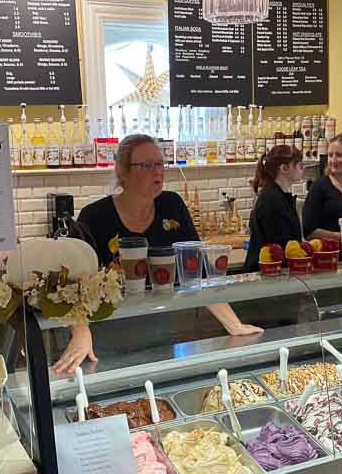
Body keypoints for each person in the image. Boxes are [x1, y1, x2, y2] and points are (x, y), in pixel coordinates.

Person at [53, 134, 263, 373]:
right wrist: (80, 332)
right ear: (122, 171)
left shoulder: (172, 205)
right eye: (146, 165)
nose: (158, 172)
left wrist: (234, 324)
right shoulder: (95, 216)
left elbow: (198, 274)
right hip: (107, 335)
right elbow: (71, 284)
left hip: (162, 331)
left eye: (160, 164)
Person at [244, 145, 305, 272]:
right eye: (299, 165)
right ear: (284, 168)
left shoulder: (277, 195)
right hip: (266, 272)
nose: (303, 168)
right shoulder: (272, 200)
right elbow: (281, 244)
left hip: (271, 271)